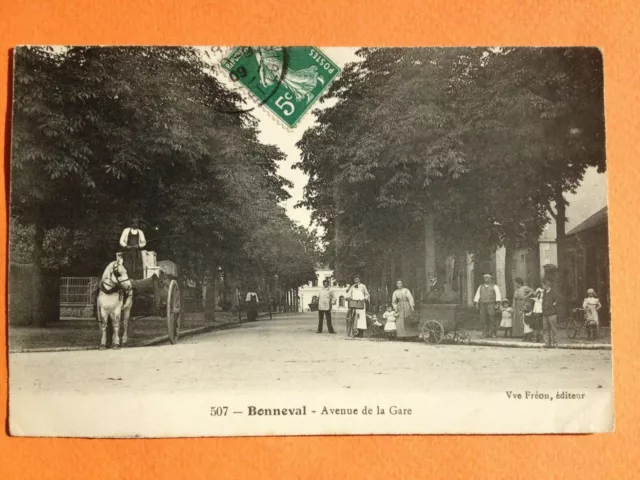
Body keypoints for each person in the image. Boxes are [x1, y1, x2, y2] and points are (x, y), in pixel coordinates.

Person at [474, 274, 502, 338]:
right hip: (482, 304)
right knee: (483, 318)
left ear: (490, 279)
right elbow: (477, 295)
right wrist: (476, 303)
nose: (486, 279)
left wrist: (497, 303)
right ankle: (485, 332)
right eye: (485, 278)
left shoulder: (494, 286)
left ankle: (493, 333)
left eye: (488, 278)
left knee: (492, 318)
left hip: (491, 304)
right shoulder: (480, 286)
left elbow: (498, 295)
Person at [541, 279, 559, 347]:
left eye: (543, 285)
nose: (542, 286)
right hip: (545, 313)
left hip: (552, 313)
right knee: (545, 329)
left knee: (553, 329)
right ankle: (547, 343)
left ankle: (555, 343)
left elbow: (556, 302)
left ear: (546, 285)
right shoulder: (544, 292)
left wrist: (552, 307)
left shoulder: (553, 292)